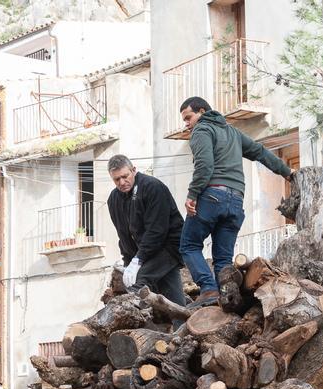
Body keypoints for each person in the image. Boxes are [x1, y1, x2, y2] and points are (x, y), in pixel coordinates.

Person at [178, 96, 295, 303]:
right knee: (223, 257)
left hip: (212, 195)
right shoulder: (232, 132)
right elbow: (259, 152)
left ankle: (208, 289)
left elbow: (204, 166)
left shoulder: (202, 130)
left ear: (202, 112)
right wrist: (286, 172)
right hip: (236, 200)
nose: (186, 124)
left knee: (189, 245)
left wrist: (192, 194)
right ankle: (227, 297)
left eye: (188, 117)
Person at [106, 154, 187, 305]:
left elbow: (157, 231)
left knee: (140, 281)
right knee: (174, 301)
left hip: (169, 246)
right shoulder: (113, 199)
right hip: (146, 253)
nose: (122, 182)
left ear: (134, 170)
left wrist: (138, 260)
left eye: (125, 176)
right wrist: (128, 262)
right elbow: (123, 235)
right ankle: (182, 323)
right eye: (117, 179)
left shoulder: (152, 187)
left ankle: (128, 310)